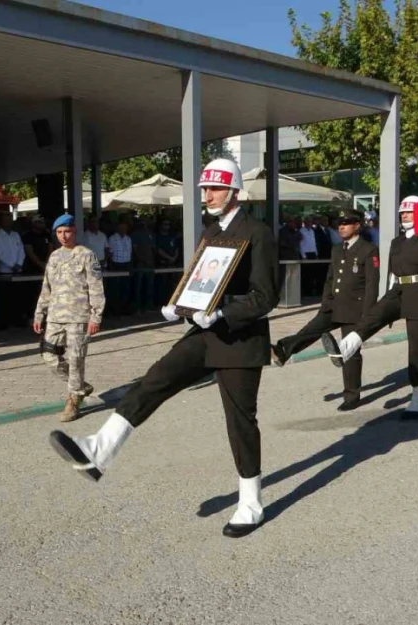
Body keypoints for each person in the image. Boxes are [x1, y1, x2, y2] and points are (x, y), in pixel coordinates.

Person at [47, 158, 279, 538]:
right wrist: (180, 304)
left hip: (240, 338)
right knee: (154, 379)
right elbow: (200, 277)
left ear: (235, 191)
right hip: (205, 333)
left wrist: (223, 312)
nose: (208, 195)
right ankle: (98, 451)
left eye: (216, 189)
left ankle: (251, 503)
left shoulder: (259, 232)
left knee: (240, 421)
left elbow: (264, 296)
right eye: (205, 189)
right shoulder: (211, 230)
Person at [323, 196, 418, 416]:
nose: (405, 216)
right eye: (403, 213)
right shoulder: (397, 242)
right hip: (398, 289)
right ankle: (344, 349)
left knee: (416, 346)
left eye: (410, 212)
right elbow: (391, 271)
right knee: (373, 315)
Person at [271, 208, 378, 411]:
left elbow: (372, 284)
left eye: (346, 223)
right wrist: (325, 301)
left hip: (355, 308)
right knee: (311, 329)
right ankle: (282, 350)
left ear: (357, 225)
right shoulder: (337, 249)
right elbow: (330, 278)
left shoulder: (368, 249)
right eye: (340, 223)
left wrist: (369, 314)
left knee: (351, 351)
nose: (342, 227)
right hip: (334, 305)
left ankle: (352, 396)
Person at [33, 214, 106, 422]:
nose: (63, 236)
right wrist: (40, 313)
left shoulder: (86, 255)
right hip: (55, 316)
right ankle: (80, 386)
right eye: (59, 232)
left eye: (67, 232)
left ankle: (73, 401)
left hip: (79, 317)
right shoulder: (54, 256)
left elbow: (96, 287)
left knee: (76, 359)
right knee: (49, 357)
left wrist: (96, 316)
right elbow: (46, 288)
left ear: (74, 232)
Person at [0, 212, 25, 328]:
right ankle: (4, 322)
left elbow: (21, 250)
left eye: (10, 220)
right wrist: (11, 265)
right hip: (3, 271)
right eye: (6, 220)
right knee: (4, 299)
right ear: (1, 222)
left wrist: (19, 264)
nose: (8, 222)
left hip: (18, 271)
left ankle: (17, 320)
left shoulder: (16, 235)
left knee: (17, 298)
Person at [130, 220, 156, 312]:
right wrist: (142, 260)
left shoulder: (150, 234)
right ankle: (137, 307)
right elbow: (134, 249)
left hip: (150, 264)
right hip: (139, 264)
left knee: (150, 286)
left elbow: (153, 248)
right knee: (138, 287)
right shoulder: (135, 234)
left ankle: (149, 305)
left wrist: (151, 260)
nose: (144, 224)